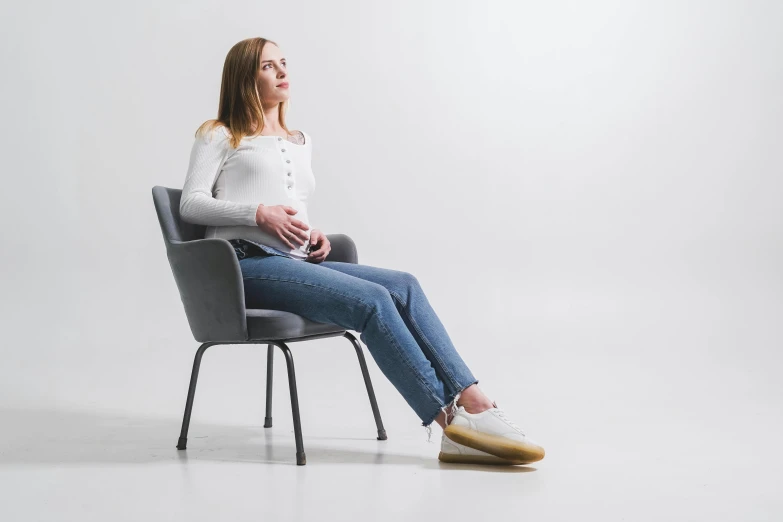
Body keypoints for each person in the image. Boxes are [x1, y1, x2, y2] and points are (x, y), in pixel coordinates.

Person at [179, 36, 545, 466]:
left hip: (292, 263)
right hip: (241, 266)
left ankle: (476, 400)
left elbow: (292, 205)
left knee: (404, 285)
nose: (281, 72)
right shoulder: (220, 134)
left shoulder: (300, 139)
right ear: (245, 76)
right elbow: (191, 203)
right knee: (371, 301)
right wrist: (257, 213)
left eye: (283, 63)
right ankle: (450, 424)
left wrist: (314, 235)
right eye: (267, 66)